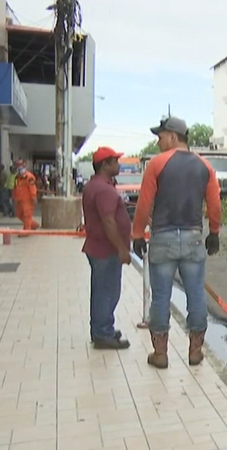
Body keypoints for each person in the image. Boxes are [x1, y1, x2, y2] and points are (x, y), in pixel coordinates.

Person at [131, 116, 221, 369]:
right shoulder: (205, 166)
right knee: (196, 296)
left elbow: (144, 204)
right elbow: (214, 204)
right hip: (193, 239)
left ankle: (160, 354)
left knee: (160, 298)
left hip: (163, 238)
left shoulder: (156, 164)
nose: (158, 142)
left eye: (160, 137)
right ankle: (195, 352)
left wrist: (137, 233)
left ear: (172, 136)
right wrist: (214, 232)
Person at [82, 147, 132, 350]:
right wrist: (122, 249)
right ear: (105, 165)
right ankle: (103, 333)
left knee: (102, 290)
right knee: (107, 291)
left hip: (99, 247)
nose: (119, 165)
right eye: (115, 161)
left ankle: (102, 329)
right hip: (106, 249)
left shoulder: (97, 185)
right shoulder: (103, 189)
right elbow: (108, 221)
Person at [13, 160, 40, 233]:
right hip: (19, 200)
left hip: (28, 200)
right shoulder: (17, 178)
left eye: (20, 165)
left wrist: (34, 197)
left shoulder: (29, 177)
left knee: (27, 215)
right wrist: (14, 197)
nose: (18, 168)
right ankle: (33, 225)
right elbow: (15, 188)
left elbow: (32, 188)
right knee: (19, 214)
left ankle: (26, 231)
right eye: (17, 166)